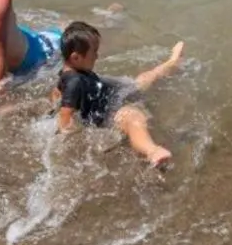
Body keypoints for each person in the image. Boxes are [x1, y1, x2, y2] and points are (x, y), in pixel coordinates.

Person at [55, 21, 184, 169]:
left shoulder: (67, 74)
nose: (97, 56)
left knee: (141, 82)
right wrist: (68, 141)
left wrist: (53, 107)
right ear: (76, 58)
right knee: (133, 118)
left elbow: (58, 91)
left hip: (111, 93)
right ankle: (152, 150)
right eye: (94, 51)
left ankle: (172, 62)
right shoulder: (75, 81)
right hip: (110, 109)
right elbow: (65, 116)